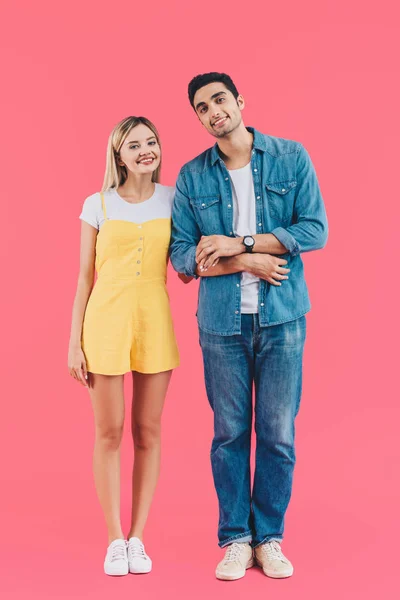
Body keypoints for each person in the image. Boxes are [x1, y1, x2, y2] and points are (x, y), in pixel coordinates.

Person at [170, 72, 328, 581]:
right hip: (220, 323)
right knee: (230, 433)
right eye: (202, 107)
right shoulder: (193, 176)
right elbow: (181, 255)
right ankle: (236, 538)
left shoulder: (290, 156)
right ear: (198, 118)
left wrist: (240, 245)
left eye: (219, 99)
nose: (213, 110)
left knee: (278, 434)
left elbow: (314, 228)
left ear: (239, 101)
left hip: (282, 318)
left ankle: (270, 538)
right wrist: (248, 263)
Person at [68, 116, 187, 576]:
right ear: (118, 154)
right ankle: (115, 539)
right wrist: (73, 342)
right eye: (134, 144)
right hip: (104, 322)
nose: (145, 150)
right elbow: (83, 278)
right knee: (109, 432)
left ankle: (138, 537)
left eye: (151, 141)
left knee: (149, 431)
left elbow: (182, 261)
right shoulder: (96, 204)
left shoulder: (173, 198)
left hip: (153, 320)